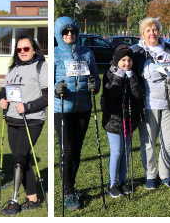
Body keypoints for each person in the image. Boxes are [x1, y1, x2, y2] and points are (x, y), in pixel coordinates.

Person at [0, 35, 48, 216]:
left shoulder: (42, 66)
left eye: (26, 49)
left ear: (33, 49)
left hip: (32, 119)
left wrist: (28, 106)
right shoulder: (13, 68)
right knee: (22, 158)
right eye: (19, 49)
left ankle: (13, 200)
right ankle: (33, 200)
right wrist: (1, 101)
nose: (22, 52)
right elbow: (3, 91)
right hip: (12, 119)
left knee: (20, 156)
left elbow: (47, 95)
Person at [54, 16, 100, 210]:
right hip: (63, 108)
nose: (70, 34)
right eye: (65, 32)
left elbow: (96, 79)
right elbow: (48, 85)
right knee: (68, 150)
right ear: (59, 34)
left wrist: (94, 85)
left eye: (72, 31)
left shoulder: (86, 53)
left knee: (77, 151)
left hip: (83, 108)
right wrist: (58, 88)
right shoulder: (56, 54)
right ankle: (67, 192)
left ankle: (70, 187)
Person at [131, 17, 170, 189]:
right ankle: (151, 176)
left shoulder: (169, 50)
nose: (152, 33)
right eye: (148, 30)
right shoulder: (136, 52)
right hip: (148, 104)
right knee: (148, 142)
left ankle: (166, 175)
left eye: (155, 29)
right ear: (142, 33)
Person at [101, 45, 142, 197]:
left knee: (125, 152)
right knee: (117, 151)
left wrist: (132, 78)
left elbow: (138, 96)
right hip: (113, 120)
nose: (126, 63)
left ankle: (122, 181)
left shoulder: (133, 74)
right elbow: (111, 97)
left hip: (129, 119)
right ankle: (112, 183)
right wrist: (119, 77)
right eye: (123, 60)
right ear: (117, 60)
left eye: (129, 60)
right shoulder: (109, 74)